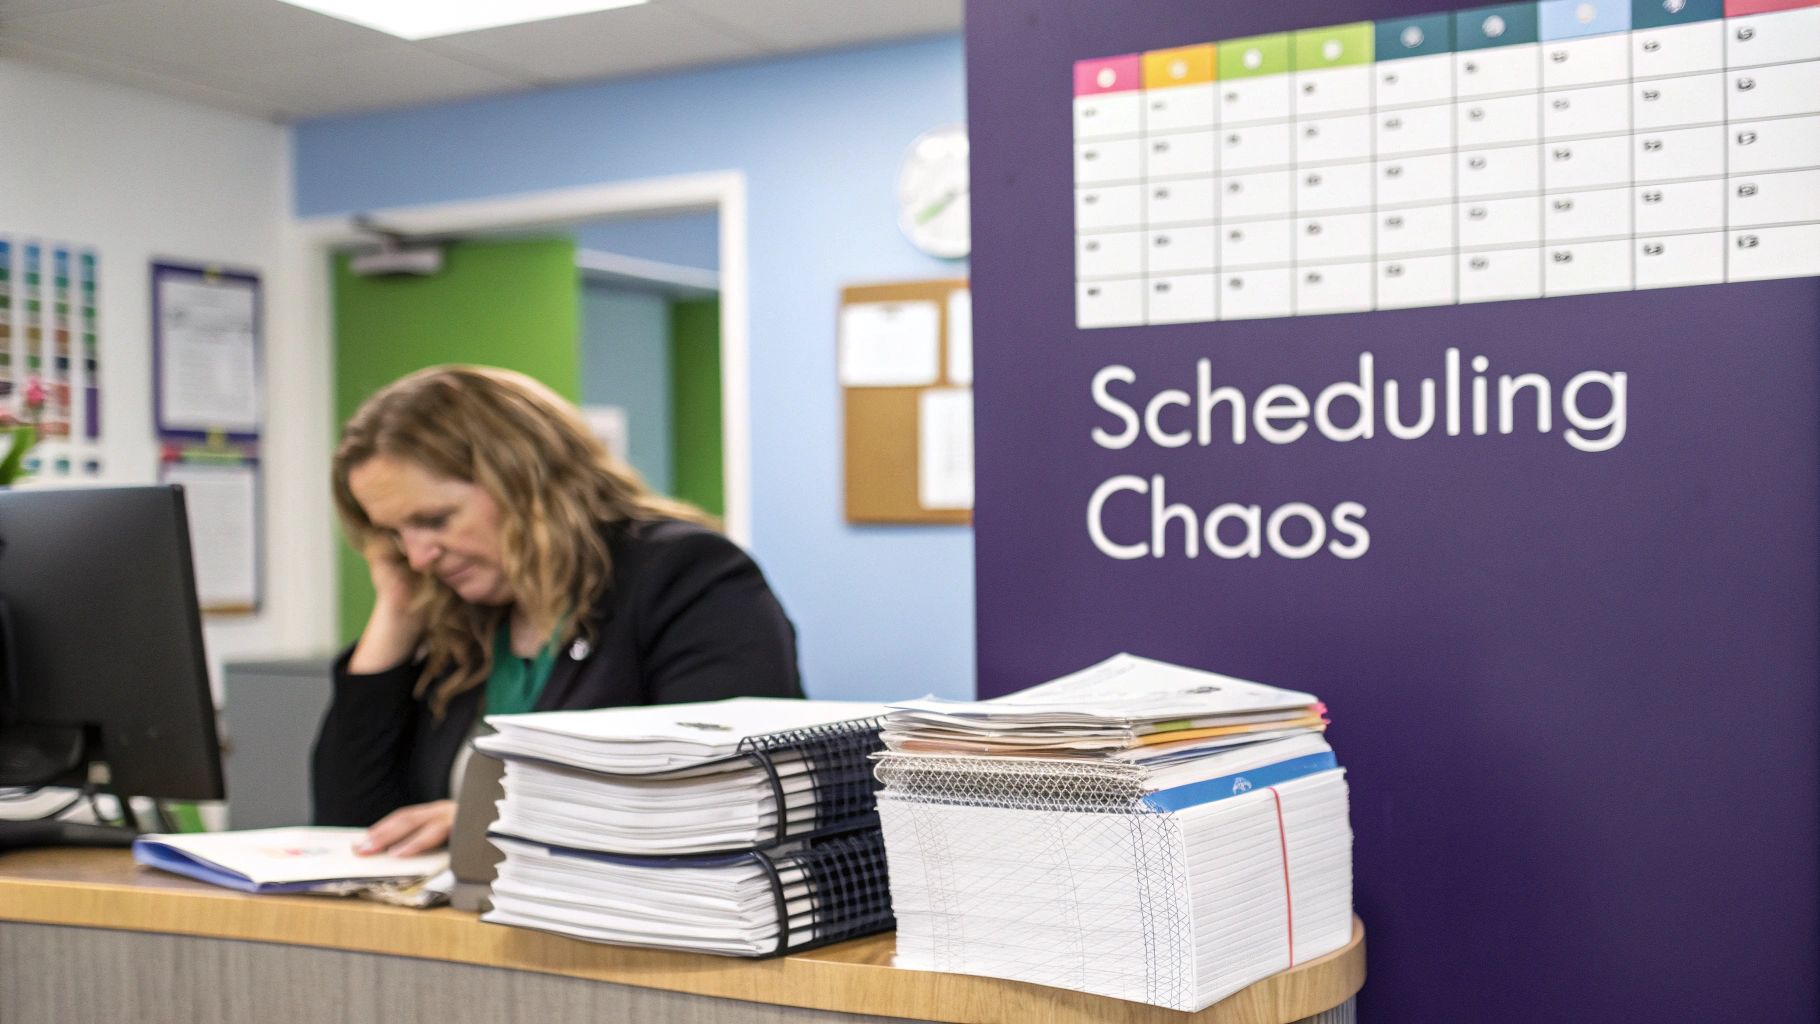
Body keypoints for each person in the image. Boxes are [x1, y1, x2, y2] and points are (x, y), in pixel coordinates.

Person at [312, 365, 801, 855]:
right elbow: (351, 824)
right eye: (395, 534)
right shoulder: (467, 618)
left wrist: (497, 819)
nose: (418, 557)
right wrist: (395, 614)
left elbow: (726, 793)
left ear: (524, 482)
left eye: (435, 519)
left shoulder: (685, 574)